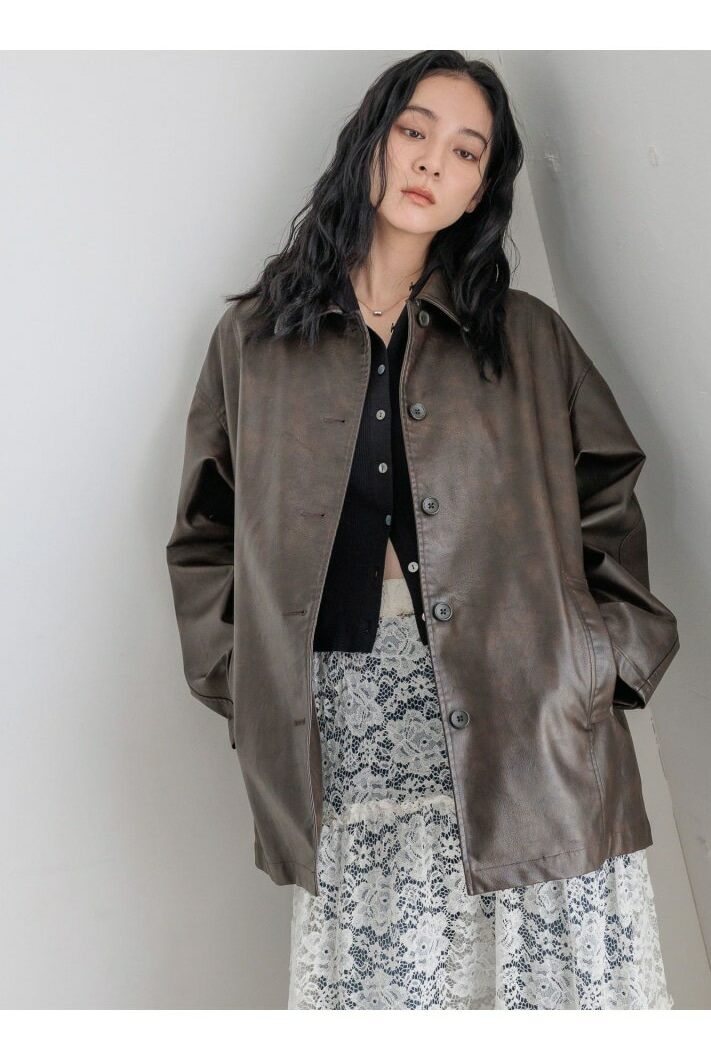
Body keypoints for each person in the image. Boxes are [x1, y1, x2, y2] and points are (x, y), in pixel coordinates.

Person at [165, 51, 680, 1009]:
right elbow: (206, 531)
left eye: (466, 151)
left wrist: (605, 657)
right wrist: (249, 680)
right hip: (346, 722)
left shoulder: (525, 337)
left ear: (480, 189)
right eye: (414, 130)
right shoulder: (255, 343)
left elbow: (611, 490)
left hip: (531, 721)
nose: (432, 161)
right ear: (373, 140)